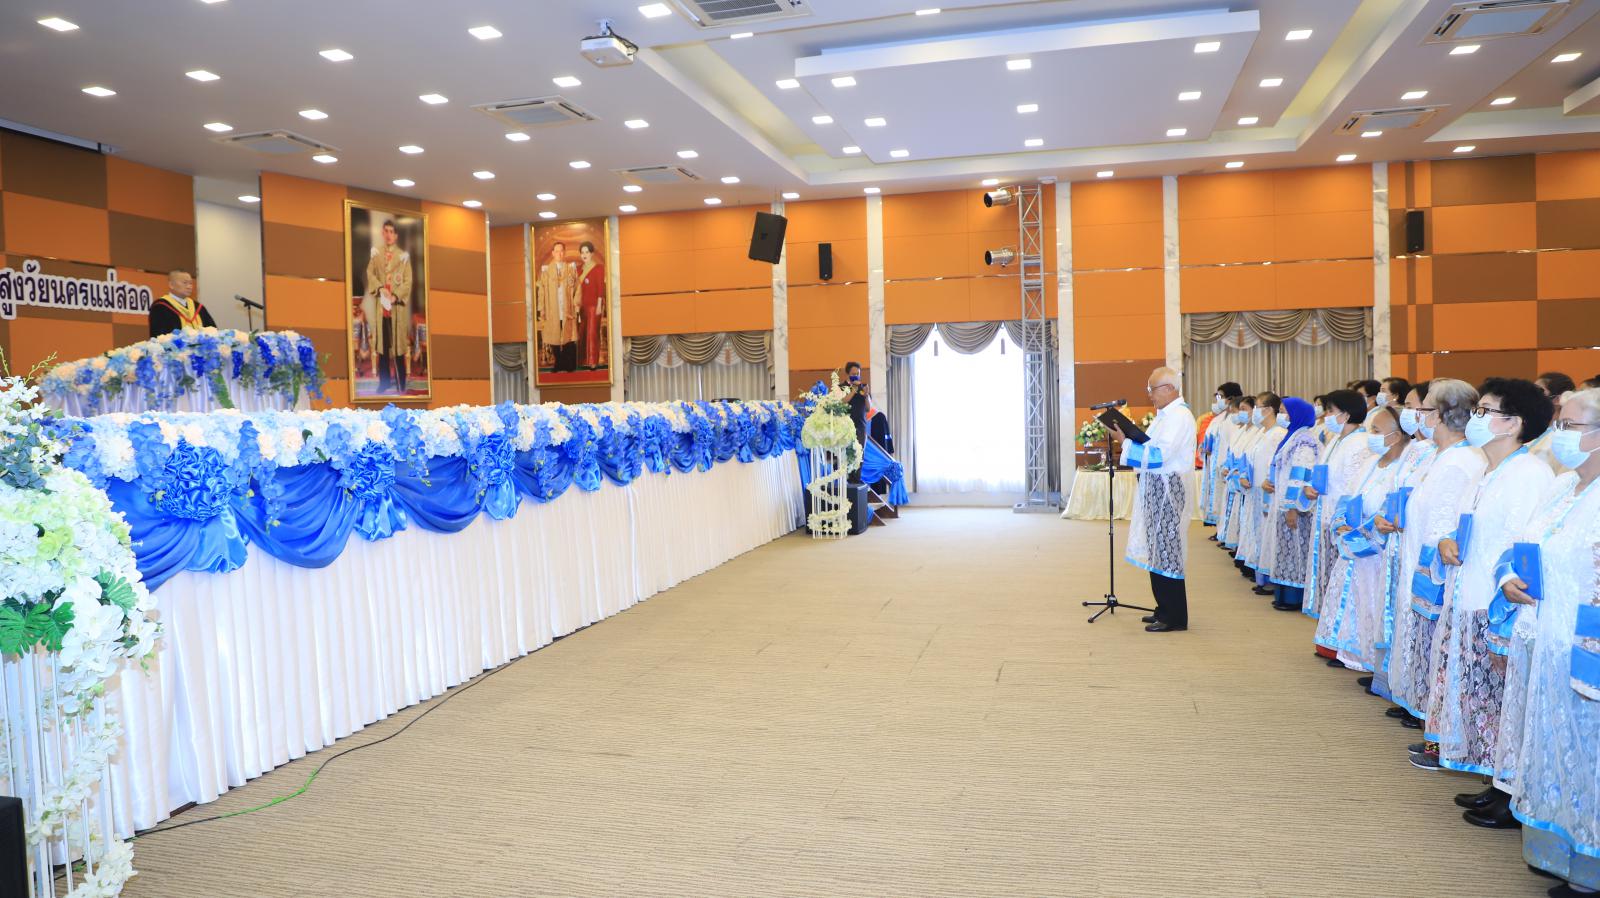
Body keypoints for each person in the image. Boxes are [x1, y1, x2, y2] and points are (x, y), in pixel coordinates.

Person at [1422, 378, 1554, 790]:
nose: (1475, 418)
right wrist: (1445, 541)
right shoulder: (1486, 470)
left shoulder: (1530, 473)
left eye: (1485, 411)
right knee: (1478, 696)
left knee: (1501, 699)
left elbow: (1522, 545)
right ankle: (1489, 779)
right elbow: (1466, 527)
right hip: (1467, 595)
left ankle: (1506, 789)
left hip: (1495, 603)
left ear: (1514, 423)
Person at [1494, 388, 1600, 892]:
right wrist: (1508, 578)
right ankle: (1565, 857)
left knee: (1590, 759)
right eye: (1560, 423)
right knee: (1558, 755)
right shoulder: (1563, 486)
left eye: (1571, 426)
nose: (1559, 435)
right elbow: (1521, 545)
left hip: (1586, 655)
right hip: (1545, 644)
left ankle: (1591, 870)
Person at [1385, 379, 1486, 741]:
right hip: (1417, 559)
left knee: (1433, 647)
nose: (1418, 415)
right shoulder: (1437, 454)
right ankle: (1421, 711)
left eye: (1425, 408)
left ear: (1442, 414)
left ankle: (1433, 725)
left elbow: (1445, 526)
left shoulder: (1461, 461)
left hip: (1435, 572)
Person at [1313, 403, 1407, 671]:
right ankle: (1353, 654)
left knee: (1372, 604)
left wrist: (1365, 528)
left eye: (1376, 430)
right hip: (1354, 542)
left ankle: (1371, 661)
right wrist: (1342, 523)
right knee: (1354, 600)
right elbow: (1349, 497)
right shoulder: (1371, 462)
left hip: (1376, 551)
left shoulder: (1402, 469)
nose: (1370, 436)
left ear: (1396, 436)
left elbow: (1390, 511)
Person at [1368, 381, 1440, 703]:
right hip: (1396, 540)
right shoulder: (1417, 450)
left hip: (1418, 548)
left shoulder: (1441, 454)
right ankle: (1398, 684)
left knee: (1417, 622)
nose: (1407, 412)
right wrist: (1383, 516)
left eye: (1412, 406)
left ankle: (1414, 694)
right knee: (1396, 615)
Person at [1114, 367, 1196, 633]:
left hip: (1169, 489)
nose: (1150, 395)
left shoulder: (1179, 416)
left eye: (1153, 389)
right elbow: (1150, 447)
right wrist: (1131, 439)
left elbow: (1160, 456)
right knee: (1157, 550)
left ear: (1170, 388)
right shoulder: (1164, 416)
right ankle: (1163, 608)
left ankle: (1175, 617)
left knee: (1168, 551)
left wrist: (1125, 443)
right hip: (1157, 488)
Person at [1302, 389, 1375, 632]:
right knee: (1329, 579)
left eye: (1331, 411)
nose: (1327, 416)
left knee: (1343, 584)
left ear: (1346, 414)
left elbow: (1353, 487)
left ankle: (1339, 635)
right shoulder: (1336, 439)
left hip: (1342, 521)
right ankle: (1327, 633)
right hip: (1325, 515)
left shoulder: (1360, 443)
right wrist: (1312, 488)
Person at [1267, 397, 1321, 611]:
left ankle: (1293, 597)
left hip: (1297, 507)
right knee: (1286, 551)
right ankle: (1283, 593)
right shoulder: (1292, 436)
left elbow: (1300, 476)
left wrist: (1292, 507)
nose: (1281, 415)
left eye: (1284, 411)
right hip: (1284, 503)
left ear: (1296, 414)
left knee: (1296, 551)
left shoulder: (1304, 441)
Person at [1237, 392, 1285, 593]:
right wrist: (1243, 475)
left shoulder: (1278, 434)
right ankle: (1260, 576)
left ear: (1269, 410)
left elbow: (1276, 463)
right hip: (1255, 489)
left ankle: (1269, 578)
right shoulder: (1262, 432)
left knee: (1267, 534)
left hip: (1268, 491)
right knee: (1258, 533)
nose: (1255, 411)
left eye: (1258, 407)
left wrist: (1268, 480)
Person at [363, 219, 413, 393]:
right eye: (386, 231)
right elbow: (370, 273)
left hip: (396, 309)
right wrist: (380, 288)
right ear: (383, 233)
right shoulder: (376, 254)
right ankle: (384, 381)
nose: (389, 235)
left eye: (392, 231)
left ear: (396, 235)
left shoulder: (403, 257)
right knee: (382, 348)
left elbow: (407, 281)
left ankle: (401, 381)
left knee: (398, 347)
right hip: (381, 309)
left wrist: (395, 296)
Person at [1201, 383, 1244, 526]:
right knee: (1218, 498)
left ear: (1230, 398)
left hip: (1226, 464)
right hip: (1215, 461)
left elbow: (1232, 444)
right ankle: (1219, 529)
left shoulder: (1234, 420)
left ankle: (1223, 530)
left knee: (1225, 499)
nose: (1217, 400)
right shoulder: (1219, 418)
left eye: (1220, 396)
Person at [1220, 395, 1258, 555]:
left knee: (1244, 515)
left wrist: (1239, 471)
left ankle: (1242, 550)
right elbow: (1232, 452)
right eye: (1239, 409)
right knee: (1237, 514)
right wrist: (1226, 467)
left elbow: (1247, 456)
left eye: (1244, 409)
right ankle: (1237, 545)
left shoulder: (1257, 432)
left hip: (1244, 477)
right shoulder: (1241, 430)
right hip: (1235, 476)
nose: (1240, 413)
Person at [537, 240, 577, 372]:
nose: (559, 253)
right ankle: (558, 363)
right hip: (552, 309)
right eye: (557, 251)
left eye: (561, 251)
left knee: (568, 336)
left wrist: (575, 304)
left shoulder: (570, 269)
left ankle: (568, 364)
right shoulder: (546, 271)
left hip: (566, 308)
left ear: (564, 253)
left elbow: (576, 288)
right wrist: (541, 308)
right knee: (554, 336)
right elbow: (542, 290)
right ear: (553, 253)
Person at [149, 269, 215, 336]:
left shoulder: (198, 307)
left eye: (190, 283)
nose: (189, 286)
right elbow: (159, 335)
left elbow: (213, 331)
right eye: (185, 283)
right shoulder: (160, 307)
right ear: (171, 285)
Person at [577, 241, 606, 369]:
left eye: (587, 252)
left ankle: (593, 361)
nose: (584, 255)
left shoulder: (598, 268)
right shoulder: (578, 269)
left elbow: (600, 288)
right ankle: (583, 360)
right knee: (582, 333)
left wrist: (599, 305)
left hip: (594, 305)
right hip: (581, 306)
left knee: (592, 334)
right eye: (582, 252)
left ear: (592, 253)